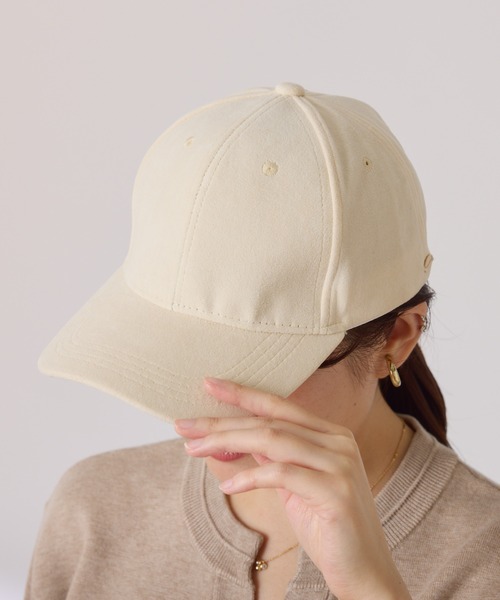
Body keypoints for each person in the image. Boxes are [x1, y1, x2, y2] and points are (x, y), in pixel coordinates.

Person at [26, 83, 499, 600]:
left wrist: (370, 588)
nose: (200, 399)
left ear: (396, 339)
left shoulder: (483, 559)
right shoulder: (93, 512)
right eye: (173, 354)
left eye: (252, 365)